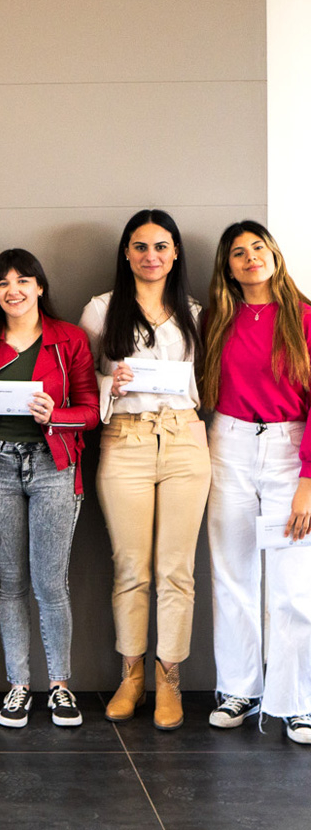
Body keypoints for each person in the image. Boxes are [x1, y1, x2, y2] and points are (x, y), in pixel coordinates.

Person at [78, 210, 209, 730]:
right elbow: (80, 379)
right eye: (140, 247)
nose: (150, 256)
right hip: (124, 439)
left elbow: (209, 383)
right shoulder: (101, 310)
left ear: (175, 253)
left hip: (183, 440)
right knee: (131, 568)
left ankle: (169, 680)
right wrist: (113, 378)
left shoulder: (197, 312)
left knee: (177, 570)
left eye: (160, 246)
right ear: (125, 254)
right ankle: (131, 676)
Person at [0, 248, 98, 728]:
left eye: (23, 280)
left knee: (49, 583)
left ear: (40, 286)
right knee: (11, 582)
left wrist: (54, 415)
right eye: (2, 283)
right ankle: (18, 686)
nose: (13, 291)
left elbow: (90, 410)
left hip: (53, 464)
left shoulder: (70, 340)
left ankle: (59, 686)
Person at [202, 220, 311, 744]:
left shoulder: (305, 317)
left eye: (258, 248)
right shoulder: (217, 320)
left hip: (290, 452)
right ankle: (238, 688)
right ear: (227, 265)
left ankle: (296, 700)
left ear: (274, 254)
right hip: (229, 445)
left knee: (293, 584)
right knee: (232, 573)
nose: (250, 258)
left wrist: (309, 480)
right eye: (239, 252)